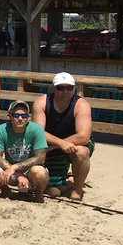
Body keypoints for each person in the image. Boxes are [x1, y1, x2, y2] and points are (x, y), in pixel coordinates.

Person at [33, 72, 93, 200]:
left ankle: (77, 190)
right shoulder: (41, 102)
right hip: (48, 144)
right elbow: (38, 131)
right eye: (60, 88)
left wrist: (58, 145)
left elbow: (83, 137)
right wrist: (60, 144)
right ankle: (67, 179)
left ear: (74, 88)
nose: (65, 91)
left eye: (69, 88)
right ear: (53, 88)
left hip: (72, 144)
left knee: (82, 152)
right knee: (53, 190)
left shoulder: (81, 105)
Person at [0, 100, 49, 201]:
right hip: (9, 170)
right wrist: (17, 174)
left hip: (30, 171)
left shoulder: (37, 129)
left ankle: (38, 193)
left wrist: (15, 167)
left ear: (28, 117)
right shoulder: (1, 129)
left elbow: (40, 158)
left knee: (40, 172)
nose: (20, 118)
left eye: (24, 116)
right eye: (16, 115)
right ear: (9, 116)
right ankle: (6, 190)